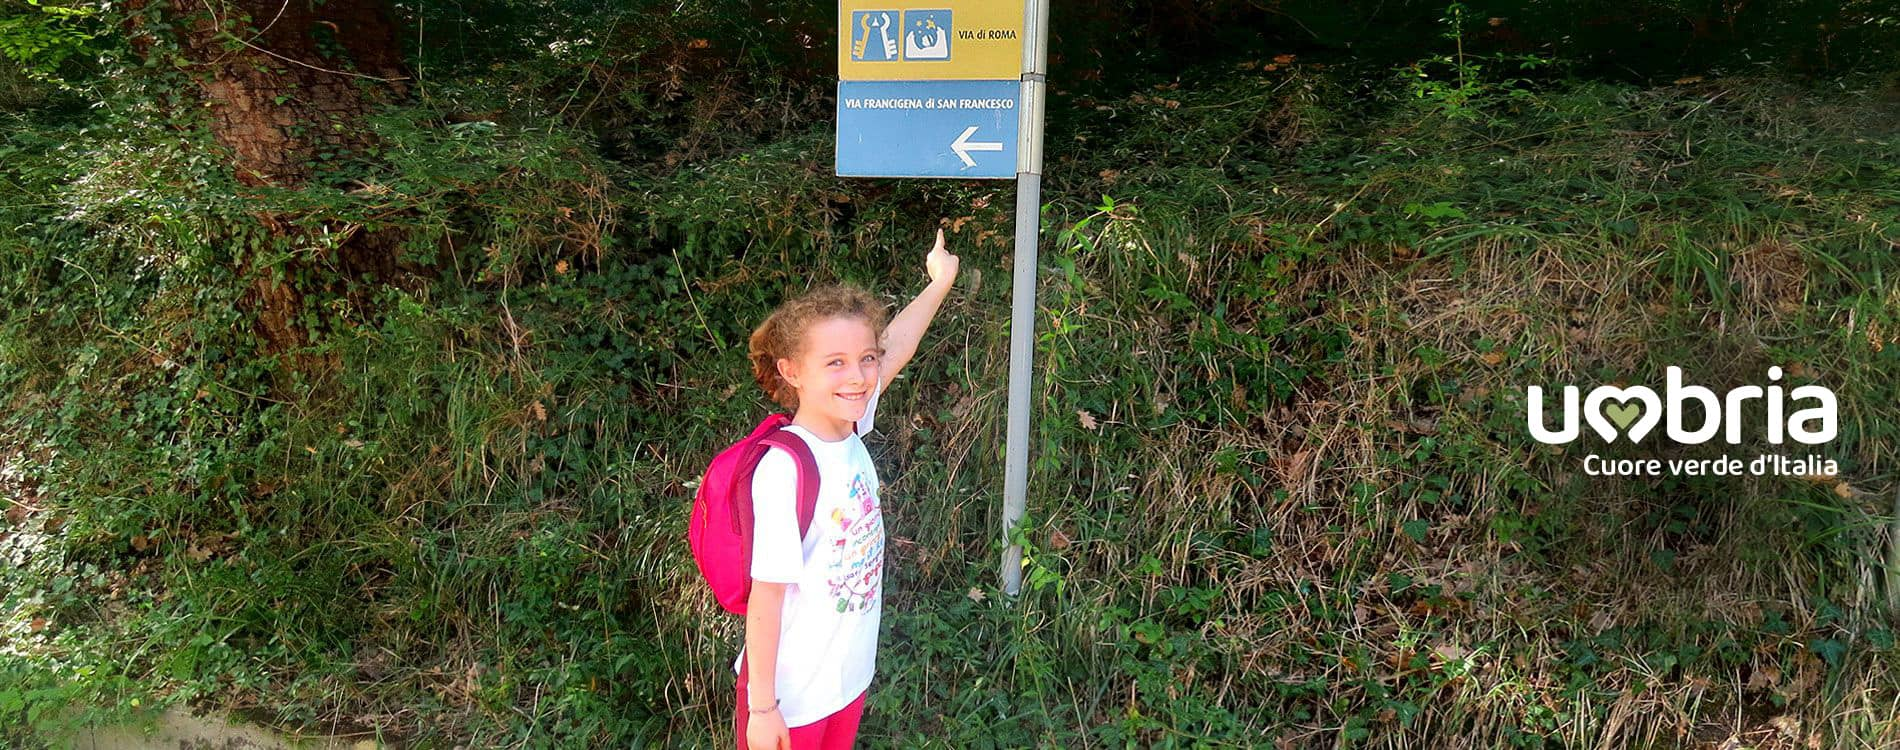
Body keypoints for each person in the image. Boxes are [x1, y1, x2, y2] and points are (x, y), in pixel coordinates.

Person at [735, 229, 960, 750]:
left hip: (846, 682)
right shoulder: (786, 467)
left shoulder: (851, 427)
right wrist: (762, 709)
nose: (857, 376)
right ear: (792, 371)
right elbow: (766, 597)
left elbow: (897, 345)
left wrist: (939, 283)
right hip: (789, 699)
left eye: (866, 358)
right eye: (834, 362)